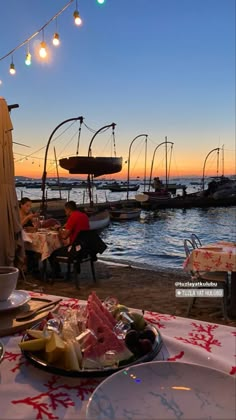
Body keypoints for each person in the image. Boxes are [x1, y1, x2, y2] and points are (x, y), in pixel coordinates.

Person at [48, 201, 90, 278]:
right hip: (85, 248)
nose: (65, 212)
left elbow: (64, 236)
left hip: (75, 250)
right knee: (67, 245)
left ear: (68, 209)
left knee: (51, 251)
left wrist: (59, 229)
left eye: (65, 210)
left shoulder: (73, 217)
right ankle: (76, 269)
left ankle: (56, 273)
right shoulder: (84, 216)